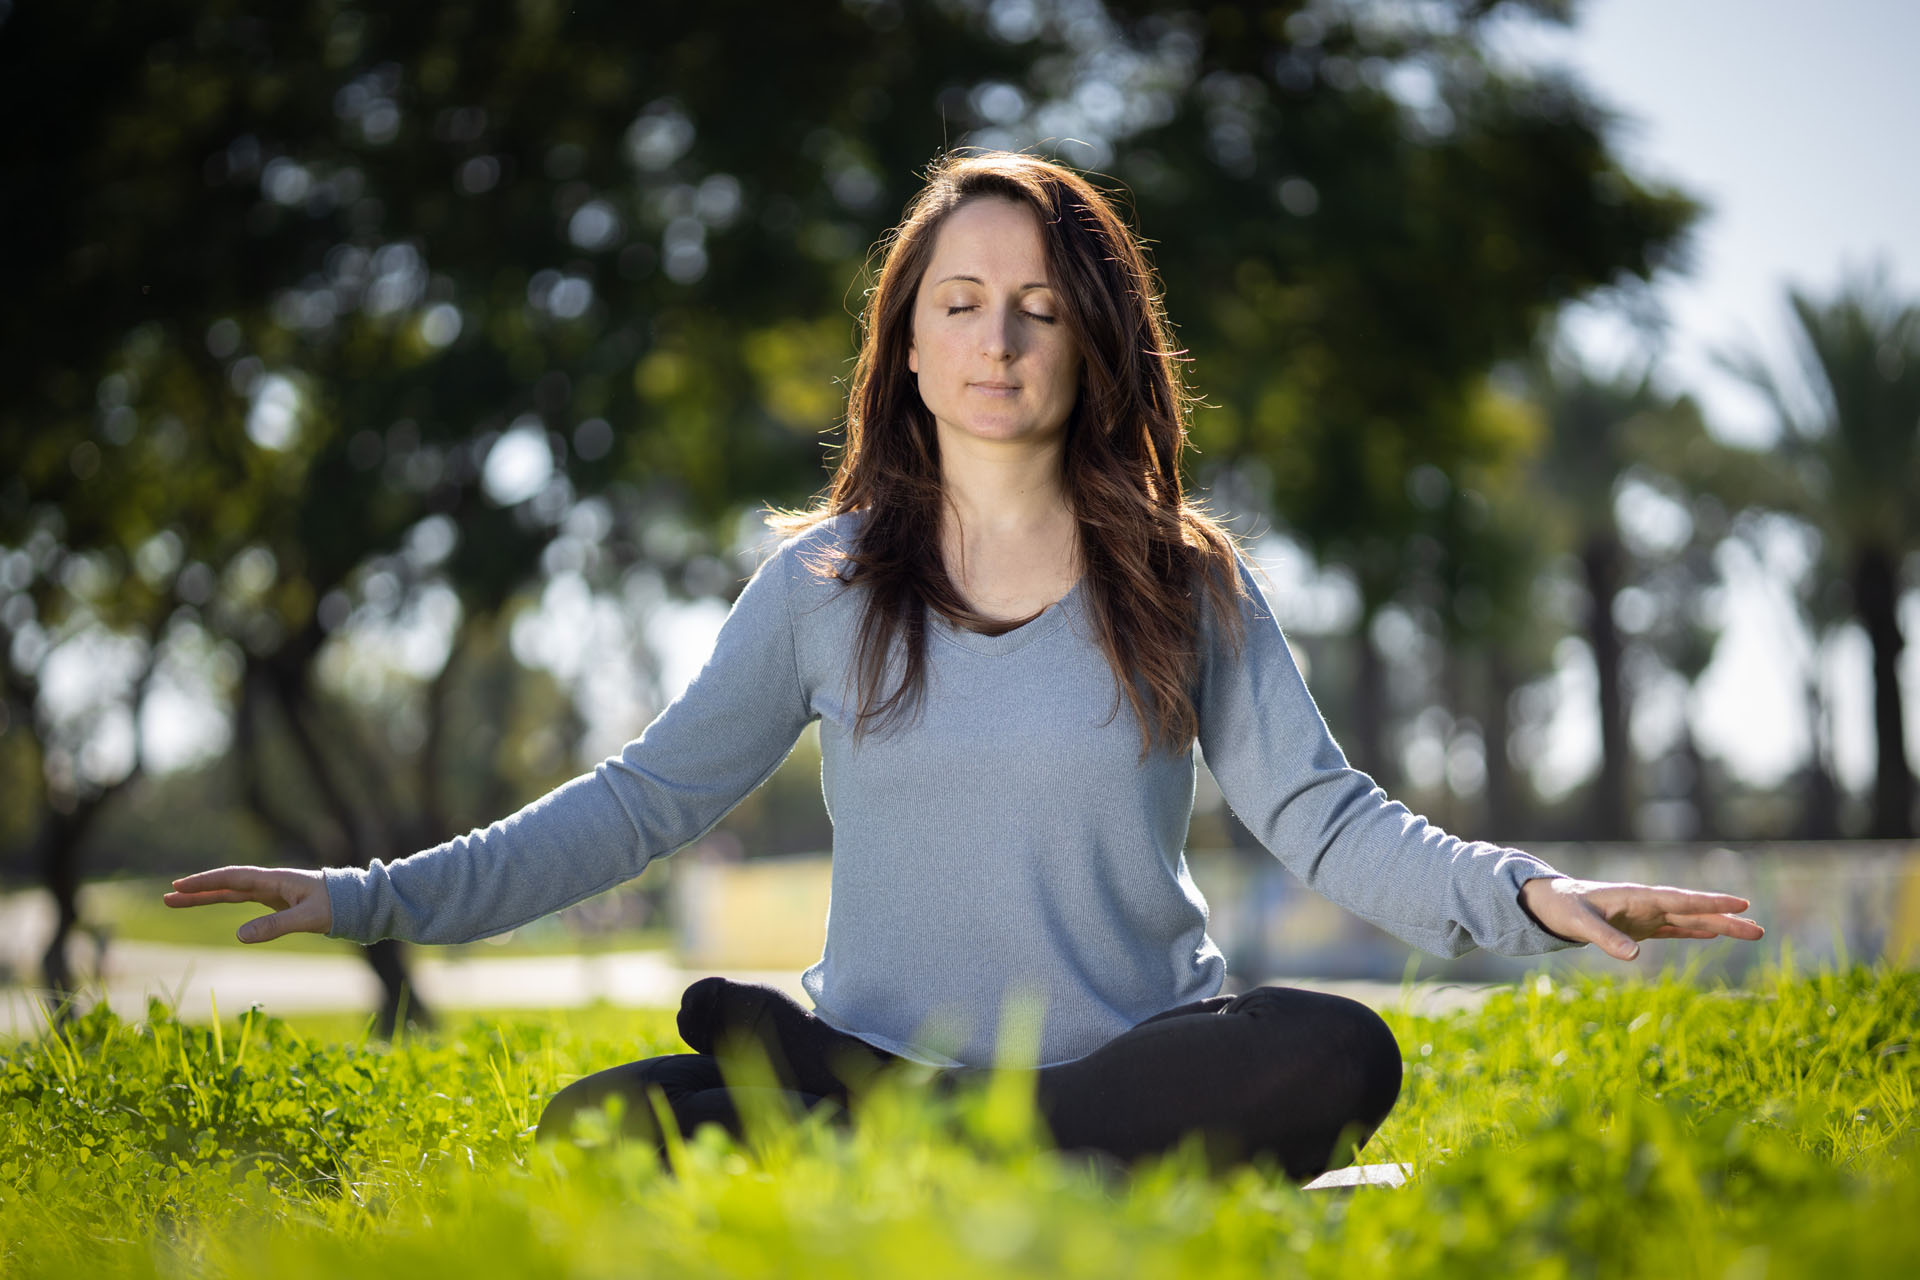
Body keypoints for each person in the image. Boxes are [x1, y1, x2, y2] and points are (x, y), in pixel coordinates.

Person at [165, 150, 1765, 1182]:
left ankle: (928, 1139)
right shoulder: (821, 585)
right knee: (600, 1129)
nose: (999, 342)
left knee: (1341, 1051)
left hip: (1131, 1066)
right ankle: (929, 1121)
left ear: (1090, 346)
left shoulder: (1182, 580)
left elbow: (1333, 822)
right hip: (877, 1046)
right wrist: (370, 896)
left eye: (1040, 312)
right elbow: (640, 804)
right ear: (910, 343)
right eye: (964, 304)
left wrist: (1534, 896)